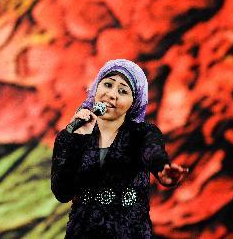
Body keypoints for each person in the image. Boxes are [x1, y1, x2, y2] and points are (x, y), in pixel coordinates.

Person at [51, 59, 188, 238]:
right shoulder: (70, 136)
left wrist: (161, 168)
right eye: (107, 85)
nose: (111, 95)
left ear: (134, 102)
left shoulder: (142, 133)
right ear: (96, 88)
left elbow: (152, 152)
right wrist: (79, 140)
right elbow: (62, 192)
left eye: (122, 91)